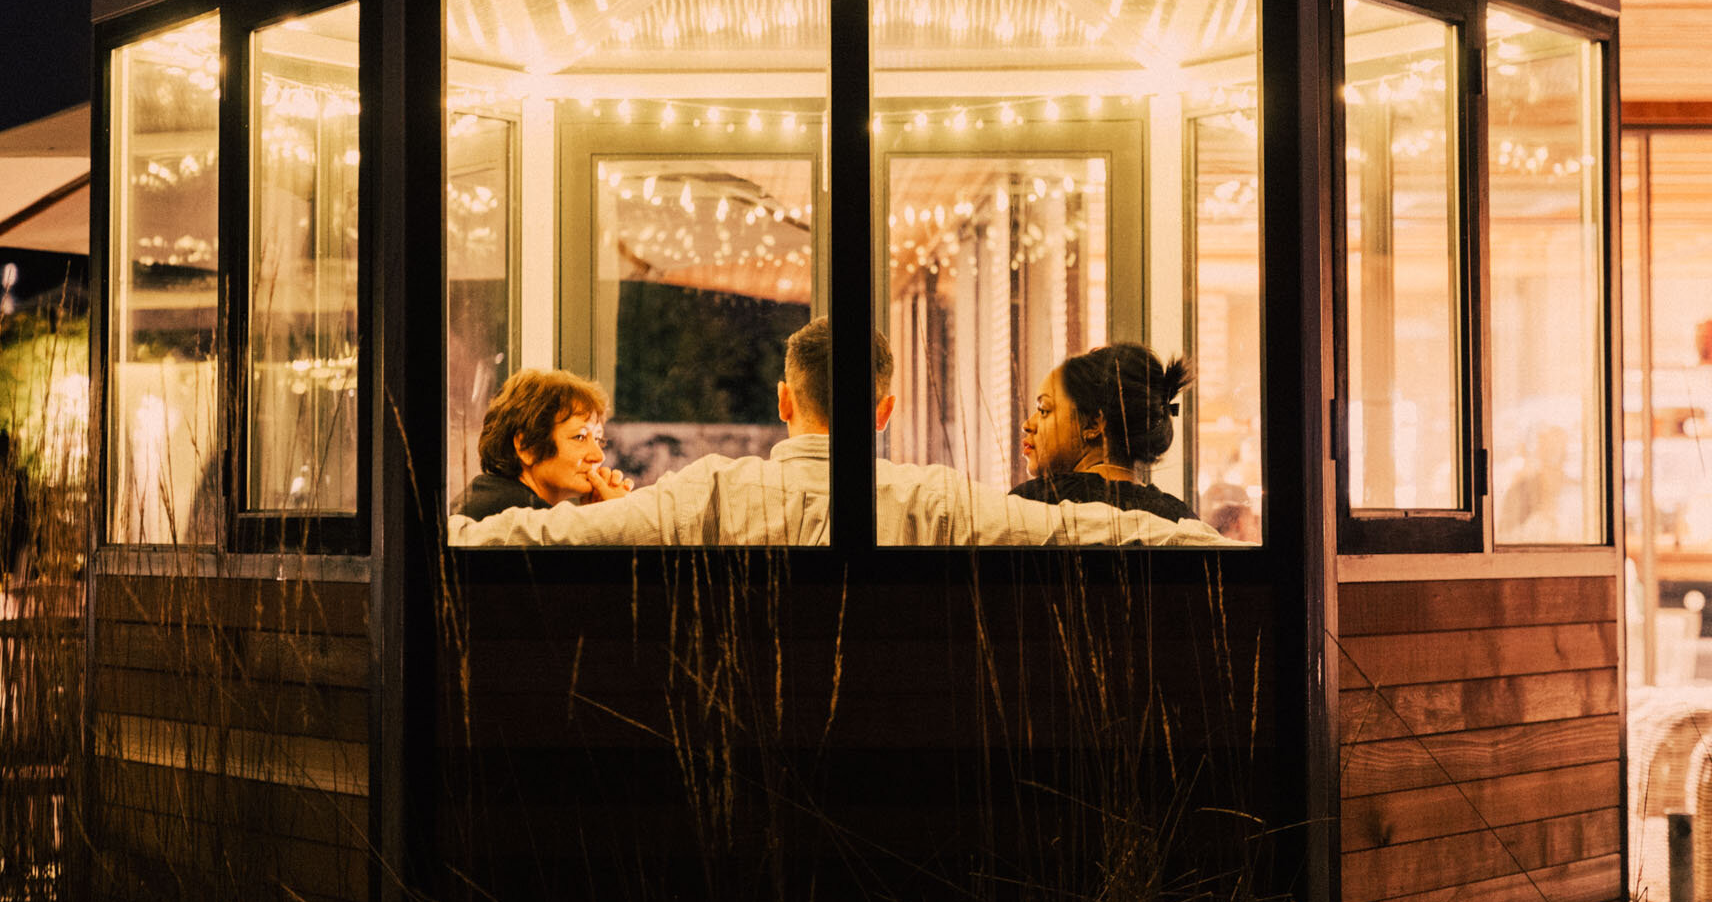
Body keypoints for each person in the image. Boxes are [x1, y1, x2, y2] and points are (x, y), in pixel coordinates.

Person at [450, 321, 1226, 548]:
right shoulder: (935, 500)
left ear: (785, 400)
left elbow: (532, 540)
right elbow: (1077, 532)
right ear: (884, 414)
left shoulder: (711, 491)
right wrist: (1221, 545)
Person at [1011, 343, 1212, 532]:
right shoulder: (1181, 519)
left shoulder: (1032, 505)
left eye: (1044, 410)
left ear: (1093, 424)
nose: (1027, 425)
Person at [453, 369, 633, 520]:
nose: (599, 456)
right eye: (580, 437)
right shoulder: (522, 516)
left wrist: (595, 514)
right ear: (527, 446)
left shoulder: (491, 496)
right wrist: (619, 515)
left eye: (598, 439)